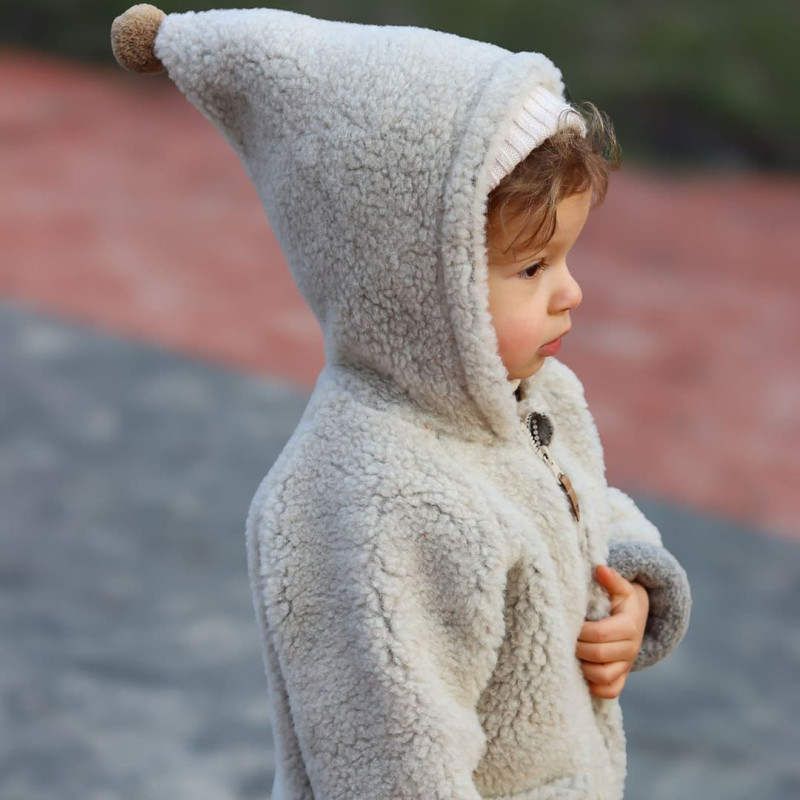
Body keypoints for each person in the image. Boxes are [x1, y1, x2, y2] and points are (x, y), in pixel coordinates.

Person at [112, 5, 691, 798]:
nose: (572, 293)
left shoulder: (529, 397)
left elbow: (577, 503)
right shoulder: (366, 501)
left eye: (566, 257)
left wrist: (631, 590)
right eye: (532, 268)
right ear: (416, 284)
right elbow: (390, 763)